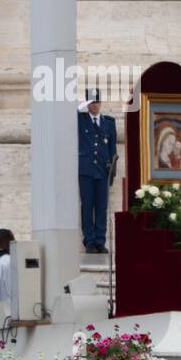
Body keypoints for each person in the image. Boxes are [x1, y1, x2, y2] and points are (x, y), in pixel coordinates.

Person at [77, 92, 118, 254]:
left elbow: (112, 149)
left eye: (97, 102)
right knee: (87, 206)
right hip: (86, 170)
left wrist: (112, 171)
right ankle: (89, 241)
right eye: (91, 103)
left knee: (101, 207)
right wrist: (81, 106)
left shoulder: (108, 123)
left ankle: (100, 241)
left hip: (103, 171)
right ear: (87, 104)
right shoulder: (81, 120)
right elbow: (69, 116)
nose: (95, 105)